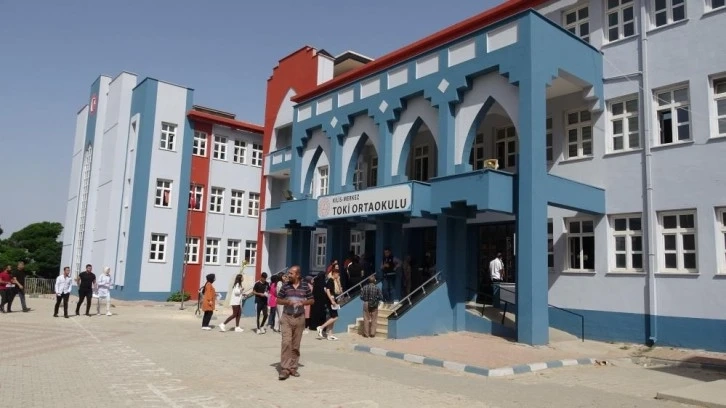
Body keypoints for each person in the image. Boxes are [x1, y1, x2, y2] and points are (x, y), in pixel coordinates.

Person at [276, 265, 314, 380]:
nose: (289, 275)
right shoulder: (285, 286)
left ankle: (293, 367)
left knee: (296, 345)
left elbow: (312, 300)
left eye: (291, 273)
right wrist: (288, 302)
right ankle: (285, 369)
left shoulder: (305, 286)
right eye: (288, 273)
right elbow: (278, 300)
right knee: (286, 342)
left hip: (299, 318)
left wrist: (303, 302)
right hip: (287, 317)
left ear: (297, 275)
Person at [316, 265, 342, 341]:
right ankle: (321, 327)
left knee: (333, 317)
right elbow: (327, 291)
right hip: (331, 302)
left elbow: (338, 291)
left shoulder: (333, 281)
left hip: (333, 301)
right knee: (335, 317)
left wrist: (338, 282)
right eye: (338, 274)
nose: (338, 276)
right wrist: (332, 301)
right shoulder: (330, 280)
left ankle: (330, 335)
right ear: (334, 273)